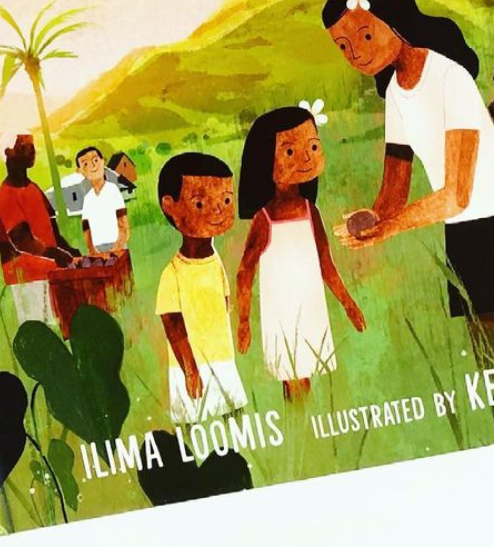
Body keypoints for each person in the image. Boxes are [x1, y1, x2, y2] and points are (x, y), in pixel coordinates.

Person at [322, 0, 494, 361]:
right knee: (490, 360)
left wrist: (390, 227)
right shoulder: (396, 92)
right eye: (343, 46)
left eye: (365, 36)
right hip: (463, 237)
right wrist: (373, 218)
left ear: (395, 20)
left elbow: (456, 196)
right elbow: (394, 191)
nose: (356, 54)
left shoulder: (451, 77)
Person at [235, 105, 365, 400]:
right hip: (282, 310)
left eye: (313, 147)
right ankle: (298, 417)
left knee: (306, 370)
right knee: (292, 375)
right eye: (290, 152)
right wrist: (243, 321)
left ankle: (303, 418)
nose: (306, 158)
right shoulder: (264, 218)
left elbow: (325, 263)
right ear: (266, 160)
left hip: (309, 305)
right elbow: (245, 270)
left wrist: (348, 304)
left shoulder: (310, 211)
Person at [155, 151, 247, 422]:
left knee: (233, 417)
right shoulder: (172, 273)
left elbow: (225, 303)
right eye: (199, 203)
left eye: (226, 200)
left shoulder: (215, 262)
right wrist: (190, 368)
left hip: (222, 357)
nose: (218, 210)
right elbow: (172, 325)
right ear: (170, 206)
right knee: (194, 423)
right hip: (190, 367)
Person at [0, 131, 79, 324]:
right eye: (23, 147)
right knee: (42, 325)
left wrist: (68, 250)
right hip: (26, 277)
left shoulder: (33, 189)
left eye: (32, 146)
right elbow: (23, 241)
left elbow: (53, 229)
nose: (31, 151)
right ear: (8, 152)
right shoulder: (6, 195)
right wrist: (57, 254)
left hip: (51, 270)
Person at [77, 146, 129, 256]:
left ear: (103, 161)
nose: (93, 166)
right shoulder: (88, 198)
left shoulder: (113, 190)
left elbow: (123, 224)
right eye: (85, 164)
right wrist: (92, 251)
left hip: (117, 247)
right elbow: (86, 229)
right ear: (80, 171)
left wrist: (116, 250)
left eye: (95, 160)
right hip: (97, 251)